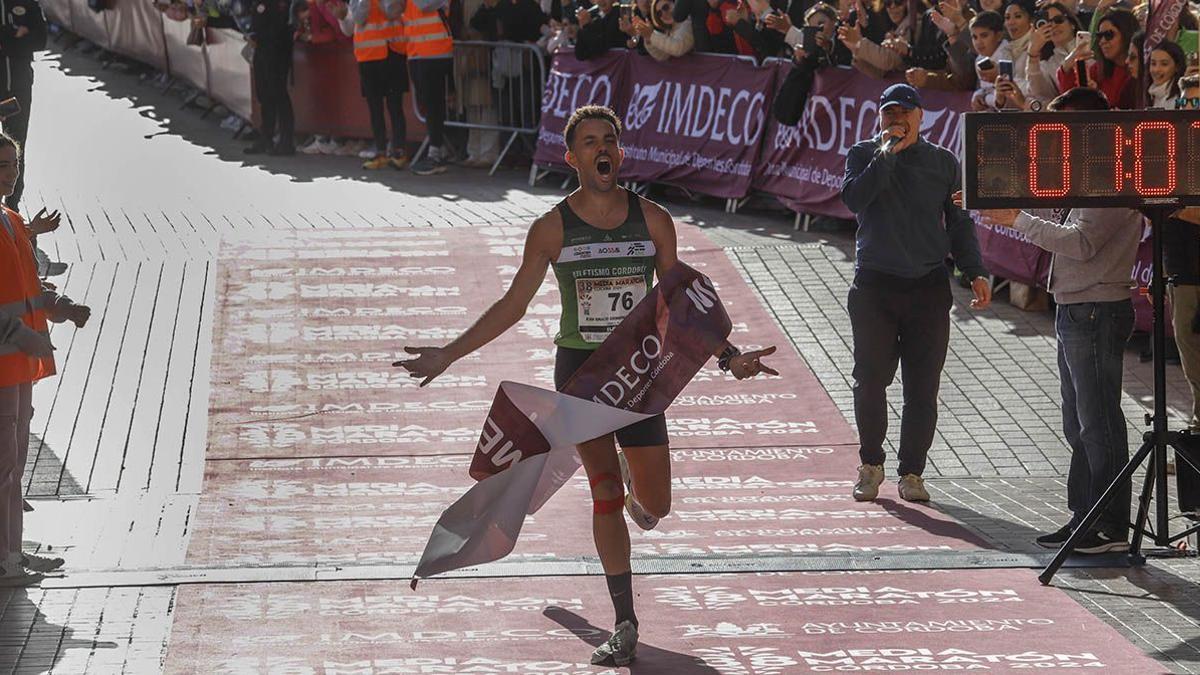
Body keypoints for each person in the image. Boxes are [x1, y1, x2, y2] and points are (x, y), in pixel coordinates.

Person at [397, 105, 778, 667]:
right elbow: (513, 305)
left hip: (640, 373)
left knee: (655, 507)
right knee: (602, 493)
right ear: (572, 157)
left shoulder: (653, 221)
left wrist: (729, 357)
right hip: (582, 374)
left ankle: (634, 487)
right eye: (590, 142)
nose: (602, 149)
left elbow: (676, 301)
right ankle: (624, 621)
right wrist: (450, 353)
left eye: (610, 141)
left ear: (620, 155)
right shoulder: (551, 228)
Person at [996, 88, 1142, 554]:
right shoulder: (1084, 173)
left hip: (1095, 308)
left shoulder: (1108, 175)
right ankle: (1085, 516)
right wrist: (1009, 205)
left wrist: (1017, 217)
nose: (1060, 137)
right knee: (1078, 422)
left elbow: (1079, 243)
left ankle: (1109, 527)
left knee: (1097, 421)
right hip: (1076, 306)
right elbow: (1059, 221)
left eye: (1068, 126)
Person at [841, 83, 992, 504]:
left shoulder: (944, 163)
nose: (896, 120)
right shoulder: (862, 154)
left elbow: (959, 222)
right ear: (879, 118)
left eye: (904, 113)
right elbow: (854, 199)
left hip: (927, 287)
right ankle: (871, 464)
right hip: (875, 285)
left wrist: (975, 269)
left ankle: (912, 473)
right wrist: (886, 155)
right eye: (889, 113)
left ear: (920, 117)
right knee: (869, 381)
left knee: (922, 388)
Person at [0, 134, 90, 585]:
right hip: (6, 363)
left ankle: (12, 553)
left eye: (13, 164)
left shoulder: (12, 220)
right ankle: (6, 559)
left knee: (13, 465)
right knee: (3, 466)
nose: (9, 174)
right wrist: (25, 337)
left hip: (16, 367)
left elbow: (30, 290)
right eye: (1, 165)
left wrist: (63, 308)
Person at [1163, 77, 1200, 434]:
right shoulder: (1171, 152)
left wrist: (1173, 208)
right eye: (1185, 104)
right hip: (1181, 271)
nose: (1191, 111)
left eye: (1197, 103)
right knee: (1191, 359)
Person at [335, 0, 410, 170]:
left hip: (391, 53)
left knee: (394, 106)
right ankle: (380, 152)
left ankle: (399, 151)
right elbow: (351, 27)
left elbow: (392, 11)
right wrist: (342, 18)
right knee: (375, 108)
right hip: (367, 57)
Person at [0, 0, 46, 210]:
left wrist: (7, 43)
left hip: (17, 92)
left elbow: (40, 39)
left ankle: (13, 206)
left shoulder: (26, 3)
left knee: (16, 146)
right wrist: (16, 34)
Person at [241, 0, 299, 155]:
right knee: (264, 94)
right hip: (261, 49)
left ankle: (286, 142)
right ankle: (266, 138)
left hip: (277, 50)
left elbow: (282, 24)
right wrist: (252, 34)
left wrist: (261, 37)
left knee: (279, 93)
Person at [405, 0, 455, 175]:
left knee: (434, 102)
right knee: (426, 103)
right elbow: (393, 9)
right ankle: (438, 148)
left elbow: (424, 4)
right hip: (416, 51)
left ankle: (436, 152)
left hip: (436, 51)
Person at [1057, 7, 1137, 109]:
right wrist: (1068, 63)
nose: (1102, 41)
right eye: (1100, 36)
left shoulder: (1141, 69)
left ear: (1126, 33)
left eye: (1108, 35)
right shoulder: (1097, 70)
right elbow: (1071, 104)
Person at [1024, 2, 1080, 104]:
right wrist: (1033, 53)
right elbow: (1040, 94)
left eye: (1058, 20)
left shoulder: (1090, 44)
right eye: (1047, 23)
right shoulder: (1047, 64)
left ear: (1072, 24)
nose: (1053, 26)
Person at [1146, 40, 1188, 108]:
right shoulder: (1150, 95)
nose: (1156, 70)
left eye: (1164, 64)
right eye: (1153, 63)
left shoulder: (1182, 98)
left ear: (1177, 67)